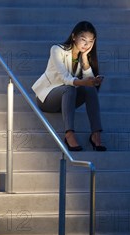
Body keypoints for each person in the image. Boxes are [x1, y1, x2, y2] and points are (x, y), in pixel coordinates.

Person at [32, 21, 106, 151]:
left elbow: (89, 81)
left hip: (68, 100)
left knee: (90, 89)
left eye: (90, 41)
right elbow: (65, 79)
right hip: (48, 98)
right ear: (73, 36)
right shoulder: (57, 50)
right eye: (83, 39)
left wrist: (84, 59)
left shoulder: (84, 56)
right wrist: (84, 82)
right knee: (69, 88)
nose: (86, 44)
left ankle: (96, 134)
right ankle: (69, 134)